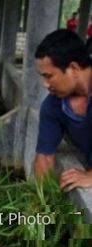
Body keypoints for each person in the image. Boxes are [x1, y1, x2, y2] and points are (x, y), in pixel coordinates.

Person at [34, 29, 92, 191]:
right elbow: (44, 158)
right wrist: (41, 203)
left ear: (73, 68)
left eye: (49, 76)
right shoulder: (53, 106)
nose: (45, 84)